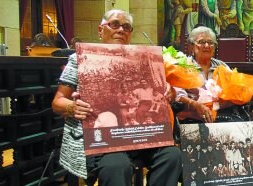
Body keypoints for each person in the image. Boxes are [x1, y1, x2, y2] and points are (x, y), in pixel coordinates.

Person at [51, 9, 182, 185]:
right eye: (114, 24)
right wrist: (72, 107)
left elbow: (159, 96)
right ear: (100, 30)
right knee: (117, 165)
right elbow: (57, 101)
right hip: (103, 139)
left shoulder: (143, 61)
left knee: (172, 156)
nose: (121, 29)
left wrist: (169, 91)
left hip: (141, 135)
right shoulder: (80, 59)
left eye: (126, 27)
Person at [176, 26, 231, 123]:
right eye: (201, 42)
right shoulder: (183, 66)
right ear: (191, 46)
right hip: (191, 118)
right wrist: (196, 105)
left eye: (210, 43)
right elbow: (177, 95)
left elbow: (234, 92)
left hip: (222, 117)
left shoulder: (222, 66)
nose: (207, 46)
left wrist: (216, 105)